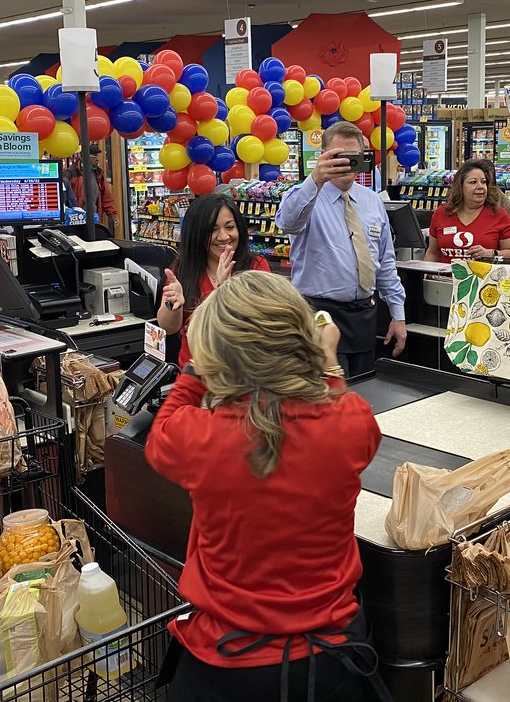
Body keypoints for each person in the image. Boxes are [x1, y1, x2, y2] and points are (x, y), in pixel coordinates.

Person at [145, 270, 388, 702]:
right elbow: (330, 402)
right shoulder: (351, 422)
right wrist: (327, 361)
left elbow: (161, 430)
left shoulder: (199, 436)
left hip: (226, 664)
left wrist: (198, 366)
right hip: (334, 657)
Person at [276, 122, 407, 377]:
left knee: (364, 393)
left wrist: (398, 314)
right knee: (330, 400)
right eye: (338, 157)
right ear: (323, 156)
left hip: (364, 317)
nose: (346, 164)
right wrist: (315, 179)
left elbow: (385, 263)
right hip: (319, 316)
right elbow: (287, 222)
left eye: (353, 157)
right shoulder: (303, 197)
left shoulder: (371, 201)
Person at [158, 194, 270, 370]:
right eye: (212, 230)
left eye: (230, 227)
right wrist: (174, 304)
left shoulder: (255, 267)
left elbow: (261, 325)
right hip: (194, 377)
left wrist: (225, 292)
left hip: (240, 374)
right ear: (197, 233)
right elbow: (168, 328)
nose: (224, 236)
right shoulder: (181, 270)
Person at [423, 159, 510, 264]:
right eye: (473, 182)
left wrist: (491, 253)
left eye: (483, 182)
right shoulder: (441, 213)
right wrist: (424, 276)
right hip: (444, 279)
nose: (480, 186)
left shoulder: (499, 215)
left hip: (484, 279)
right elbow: (433, 253)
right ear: (460, 186)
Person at [68, 144, 118, 236]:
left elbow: (106, 197)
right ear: (84, 157)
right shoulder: (71, 173)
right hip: (76, 221)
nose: (97, 159)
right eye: (94, 156)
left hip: (95, 219)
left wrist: (112, 214)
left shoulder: (98, 173)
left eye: (97, 156)